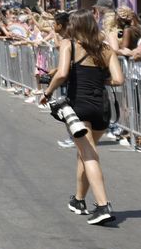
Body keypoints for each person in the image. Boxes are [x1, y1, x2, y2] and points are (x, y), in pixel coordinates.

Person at [45, 12, 122, 225]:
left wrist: (47, 93)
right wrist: (100, 81)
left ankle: (103, 205)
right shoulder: (106, 49)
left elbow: (61, 74)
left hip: (79, 106)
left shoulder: (69, 44)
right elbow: (118, 79)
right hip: (101, 107)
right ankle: (79, 200)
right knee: (85, 152)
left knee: (88, 155)